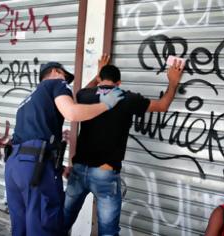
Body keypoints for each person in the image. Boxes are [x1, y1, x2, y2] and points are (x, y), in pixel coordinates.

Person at [63, 59, 184, 236]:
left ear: (100, 78)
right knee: (108, 232)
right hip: (105, 174)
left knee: (61, 221)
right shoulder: (127, 98)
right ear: (119, 83)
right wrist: (173, 82)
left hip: (79, 171)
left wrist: (98, 77)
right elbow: (163, 105)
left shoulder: (85, 95)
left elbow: (85, 90)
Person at [4, 60, 124, 236]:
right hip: (35, 168)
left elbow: (33, 141)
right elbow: (72, 112)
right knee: (44, 225)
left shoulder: (29, 98)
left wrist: (58, 168)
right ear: (55, 71)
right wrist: (106, 104)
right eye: (65, 77)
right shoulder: (56, 84)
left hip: (14, 166)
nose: (66, 82)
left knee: (21, 227)